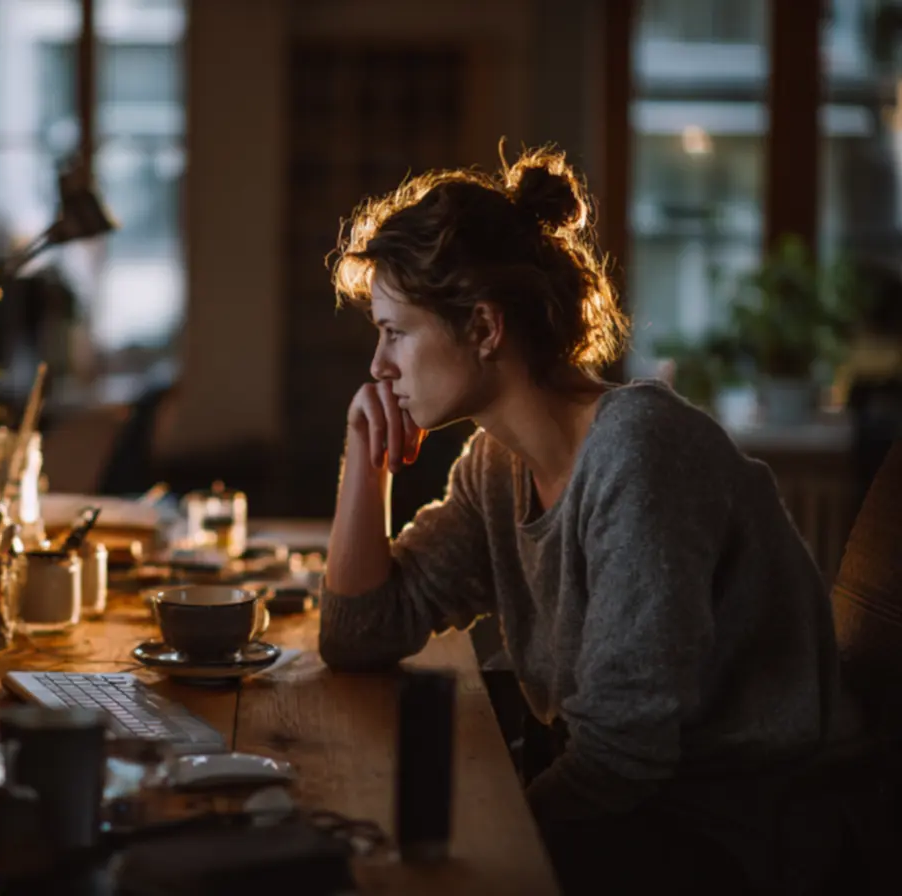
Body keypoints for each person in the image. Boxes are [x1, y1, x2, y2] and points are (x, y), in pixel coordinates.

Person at [319, 144, 860, 895]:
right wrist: (364, 459)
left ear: (482, 327)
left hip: (733, 835)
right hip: (633, 808)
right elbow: (359, 634)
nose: (379, 366)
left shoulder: (638, 453)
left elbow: (623, 756)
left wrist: (491, 839)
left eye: (395, 332)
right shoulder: (494, 465)